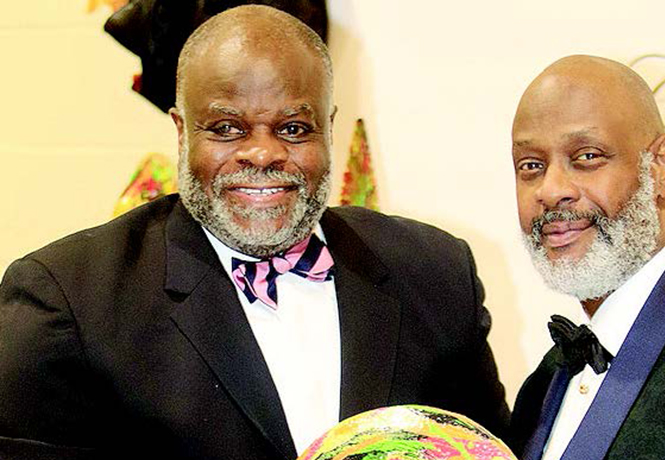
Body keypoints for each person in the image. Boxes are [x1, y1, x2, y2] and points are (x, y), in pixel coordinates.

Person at [0, 5, 509, 460]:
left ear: (329, 129)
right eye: (226, 128)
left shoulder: (435, 275)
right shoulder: (67, 302)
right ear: (181, 131)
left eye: (293, 128)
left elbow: (485, 450)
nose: (263, 153)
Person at [508, 55, 665, 460]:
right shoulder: (543, 384)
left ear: (660, 166)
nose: (550, 190)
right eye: (531, 166)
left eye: (587, 157)